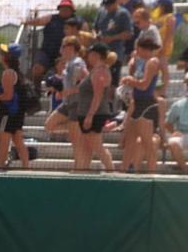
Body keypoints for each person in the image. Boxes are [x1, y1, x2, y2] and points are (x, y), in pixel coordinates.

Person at [119, 35, 162, 174]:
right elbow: (135, 75)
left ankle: (152, 174)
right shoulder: (140, 62)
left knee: (147, 142)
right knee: (129, 141)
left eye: (137, 48)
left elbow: (144, 85)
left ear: (142, 48)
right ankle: (123, 171)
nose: (135, 50)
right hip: (136, 103)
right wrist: (132, 66)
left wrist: (131, 80)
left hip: (147, 104)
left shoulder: (152, 62)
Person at [45, 37, 89, 169]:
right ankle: (75, 129)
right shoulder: (69, 63)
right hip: (66, 103)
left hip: (76, 103)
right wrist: (63, 91)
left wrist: (71, 91)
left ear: (71, 48)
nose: (62, 49)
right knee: (49, 125)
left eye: (64, 47)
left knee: (76, 141)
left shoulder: (77, 62)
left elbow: (86, 80)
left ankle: (80, 169)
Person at [76, 43, 118, 172]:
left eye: (90, 54)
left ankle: (111, 170)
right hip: (88, 112)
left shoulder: (100, 71)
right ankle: (83, 170)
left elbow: (98, 96)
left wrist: (90, 116)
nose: (88, 56)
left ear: (96, 55)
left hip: (95, 113)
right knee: (87, 144)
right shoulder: (97, 70)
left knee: (96, 145)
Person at [0, 43, 29, 170]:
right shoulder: (17, 73)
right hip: (16, 113)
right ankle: (27, 169)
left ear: (8, 57)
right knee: (18, 141)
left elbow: (8, 96)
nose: (0, 55)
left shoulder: (8, 73)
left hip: (8, 113)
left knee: (3, 142)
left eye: (3, 53)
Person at [23, 0, 76, 83]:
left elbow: (85, 29)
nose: (64, 10)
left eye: (67, 8)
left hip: (64, 52)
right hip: (46, 51)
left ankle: (60, 91)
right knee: (37, 68)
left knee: (62, 70)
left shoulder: (76, 21)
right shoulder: (52, 18)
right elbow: (39, 21)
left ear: (72, 10)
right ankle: (36, 91)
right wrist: (27, 22)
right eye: (62, 8)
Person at [95, 0, 133, 82]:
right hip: (101, 52)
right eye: (105, 5)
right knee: (99, 79)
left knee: (113, 80)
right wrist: (96, 35)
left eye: (109, 4)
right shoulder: (101, 11)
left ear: (116, 2)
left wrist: (112, 38)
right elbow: (95, 28)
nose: (107, 7)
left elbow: (129, 33)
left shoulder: (123, 14)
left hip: (115, 52)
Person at [164, 92, 188, 171]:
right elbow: (167, 124)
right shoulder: (178, 105)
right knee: (173, 143)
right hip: (182, 134)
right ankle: (185, 170)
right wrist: (174, 131)